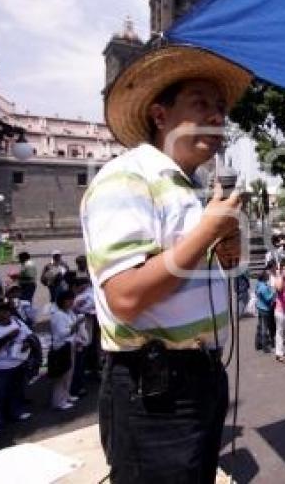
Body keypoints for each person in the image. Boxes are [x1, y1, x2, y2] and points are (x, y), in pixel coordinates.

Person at [80, 46, 249, 482]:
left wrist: (226, 237)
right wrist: (209, 230)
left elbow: (224, 268)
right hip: (154, 389)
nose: (217, 116)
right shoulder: (126, 177)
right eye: (200, 103)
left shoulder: (193, 189)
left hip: (203, 374)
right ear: (160, 116)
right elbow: (127, 296)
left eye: (220, 107)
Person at [0, 302, 32, 434]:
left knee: (16, 391)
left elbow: (28, 335)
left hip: (17, 363)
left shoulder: (16, 322)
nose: (6, 314)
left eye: (7, 311)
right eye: (2, 312)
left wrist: (26, 343)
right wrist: (7, 337)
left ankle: (16, 413)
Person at [49, 289, 84, 410]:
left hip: (70, 346)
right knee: (62, 375)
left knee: (69, 373)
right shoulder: (58, 315)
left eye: (71, 299)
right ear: (62, 301)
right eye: (68, 300)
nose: (70, 302)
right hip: (61, 348)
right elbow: (62, 333)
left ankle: (66, 395)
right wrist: (77, 324)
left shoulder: (69, 312)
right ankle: (58, 401)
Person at [255, 267, 276, 353]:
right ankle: (265, 346)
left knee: (260, 326)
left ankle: (258, 343)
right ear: (264, 277)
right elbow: (268, 298)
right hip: (265, 308)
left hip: (260, 307)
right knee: (265, 328)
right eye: (267, 275)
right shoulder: (263, 287)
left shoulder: (258, 284)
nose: (268, 276)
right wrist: (273, 293)